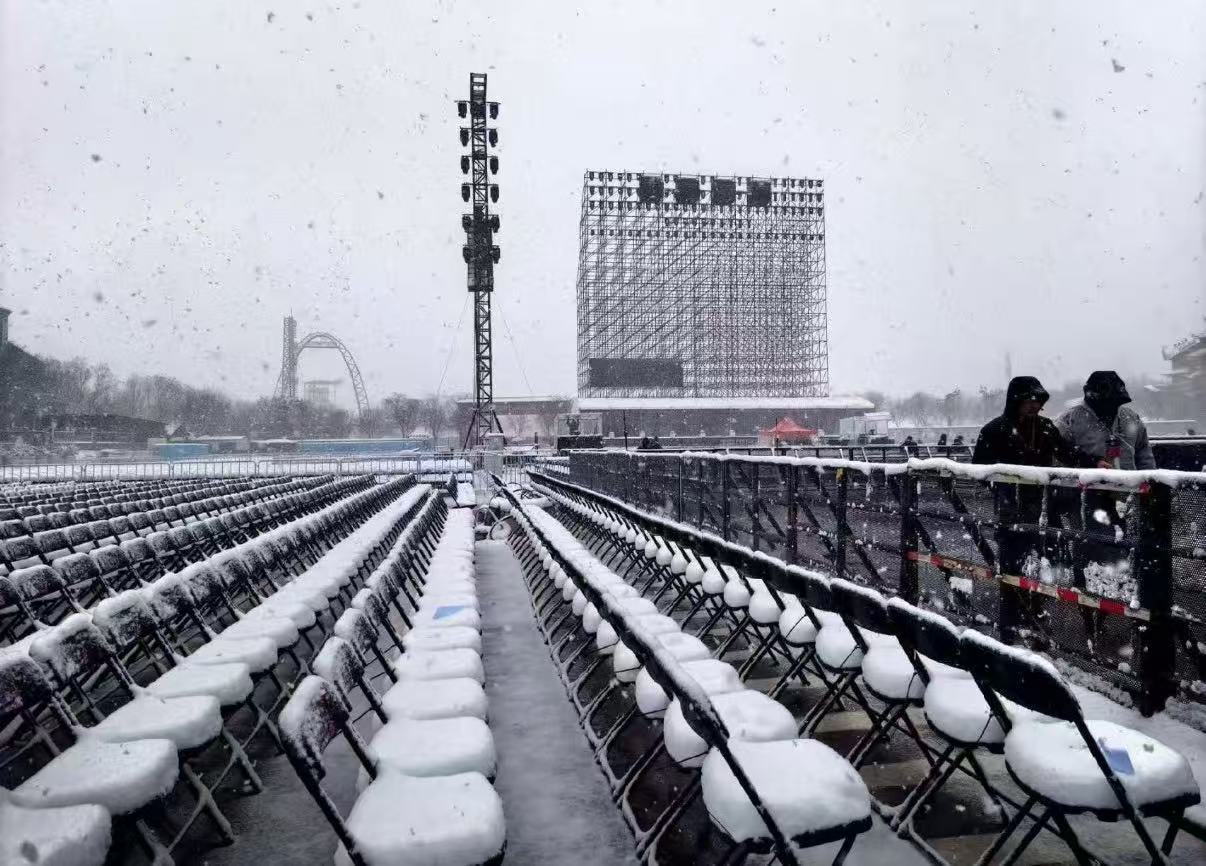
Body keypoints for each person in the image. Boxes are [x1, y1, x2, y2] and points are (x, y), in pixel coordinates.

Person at [972, 376, 1103, 643]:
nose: (1034, 406)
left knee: (1049, 562)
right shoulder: (994, 429)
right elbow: (979, 470)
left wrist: (1094, 464)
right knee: (1012, 566)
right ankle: (1010, 627)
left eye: (1037, 401)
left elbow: (1069, 453)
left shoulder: (1044, 428)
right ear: (1015, 401)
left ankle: (1036, 617)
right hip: (1011, 511)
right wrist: (1004, 490)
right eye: (1028, 400)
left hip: (1045, 506)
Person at [1056, 371, 1155, 470]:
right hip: (1088, 483)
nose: (1112, 408)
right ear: (1093, 398)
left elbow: (1144, 453)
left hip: (1130, 482)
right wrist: (1091, 464)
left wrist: (1148, 480)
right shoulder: (1069, 420)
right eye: (1108, 402)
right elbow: (1059, 456)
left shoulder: (1131, 418)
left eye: (1116, 403)